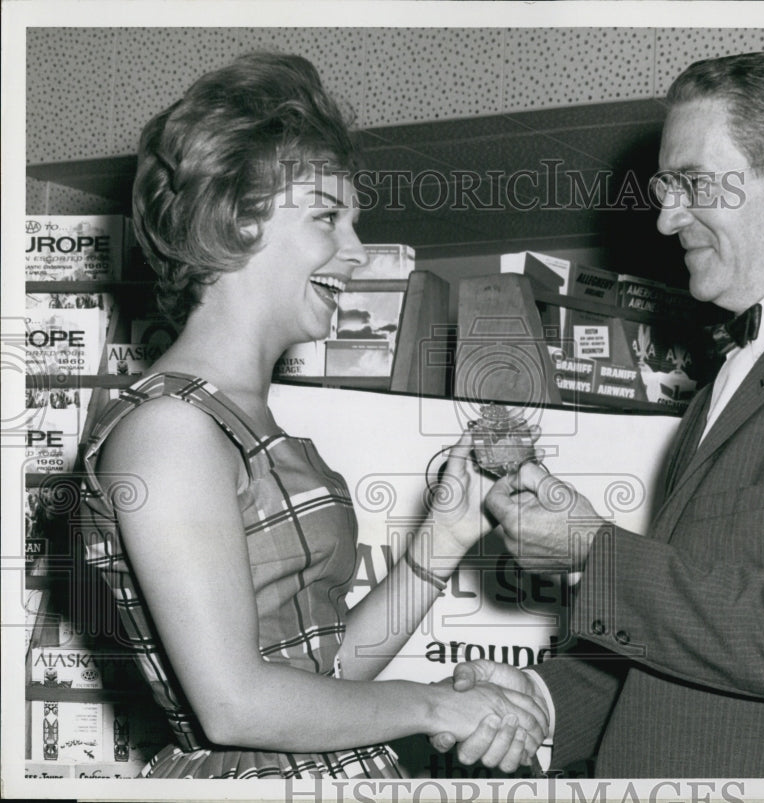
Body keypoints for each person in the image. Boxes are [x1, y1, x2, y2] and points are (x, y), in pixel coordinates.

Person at [433, 51, 764, 777]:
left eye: (691, 183)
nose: (664, 215)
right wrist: (539, 698)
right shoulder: (723, 382)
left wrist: (594, 549)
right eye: (664, 187)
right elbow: (690, 634)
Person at [77, 52, 546, 779]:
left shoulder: (249, 426)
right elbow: (234, 705)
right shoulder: (169, 430)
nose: (357, 254)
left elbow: (324, 676)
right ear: (236, 220)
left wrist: (441, 541)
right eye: (329, 218)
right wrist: (433, 705)